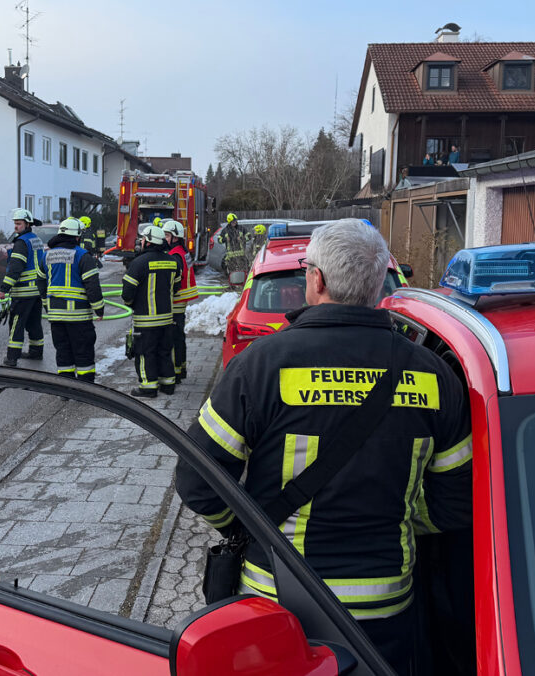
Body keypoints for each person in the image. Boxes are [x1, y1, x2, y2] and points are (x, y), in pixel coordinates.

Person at [175, 219, 472, 675]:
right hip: (385, 609)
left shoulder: (261, 365)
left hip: (277, 602)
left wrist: (249, 526)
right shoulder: (434, 375)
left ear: (316, 279)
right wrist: (400, 519)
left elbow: (198, 480)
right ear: (380, 283)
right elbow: (457, 501)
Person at [37, 218, 104, 381]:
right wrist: (99, 309)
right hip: (78, 316)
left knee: (63, 353)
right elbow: (92, 286)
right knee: (83, 353)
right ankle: (85, 387)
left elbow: (40, 283)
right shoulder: (83, 256)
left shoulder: (46, 256)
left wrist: (47, 306)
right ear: (77, 236)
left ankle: (66, 388)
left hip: (56, 316)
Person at [122, 224, 180, 397]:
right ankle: (168, 385)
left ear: (148, 242)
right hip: (167, 318)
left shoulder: (138, 263)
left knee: (144, 353)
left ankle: (148, 387)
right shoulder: (173, 262)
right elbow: (176, 287)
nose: (141, 242)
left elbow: (127, 292)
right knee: (164, 352)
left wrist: (130, 303)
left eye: (143, 239)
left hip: (145, 320)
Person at [0, 208, 47, 366]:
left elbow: (15, 268)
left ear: (27, 224)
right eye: (15, 223)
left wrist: (4, 288)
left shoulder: (21, 242)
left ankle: (12, 358)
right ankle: (36, 352)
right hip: (36, 291)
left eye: (19, 223)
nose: (15, 226)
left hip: (23, 292)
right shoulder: (36, 239)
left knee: (16, 324)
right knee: (34, 323)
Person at [161, 220, 198, 382]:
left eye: (166, 235)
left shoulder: (175, 255)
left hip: (176, 301)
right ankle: (181, 368)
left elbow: (173, 280)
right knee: (179, 337)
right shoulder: (182, 252)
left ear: (175, 237)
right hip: (181, 300)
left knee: (174, 338)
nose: (164, 239)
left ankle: (176, 372)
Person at [217, 213, 248, 278]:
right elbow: (219, 240)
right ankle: (230, 281)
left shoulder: (241, 228)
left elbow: (249, 236)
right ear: (229, 222)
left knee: (244, 270)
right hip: (230, 256)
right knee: (229, 271)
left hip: (241, 255)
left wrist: (242, 238)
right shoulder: (225, 230)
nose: (234, 222)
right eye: (233, 221)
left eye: (235, 221)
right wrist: (225, 239)